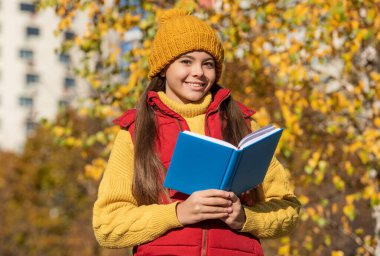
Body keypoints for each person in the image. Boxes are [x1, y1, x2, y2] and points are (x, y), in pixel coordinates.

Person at [93, 8, 301, 256]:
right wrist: (178, 213)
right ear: (163, 68)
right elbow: (107, 225)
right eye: (186, 61)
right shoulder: (136, 131)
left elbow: (288, 209)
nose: (199, 73)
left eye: (208, 64)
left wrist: (246, 218)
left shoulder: (242, 125)